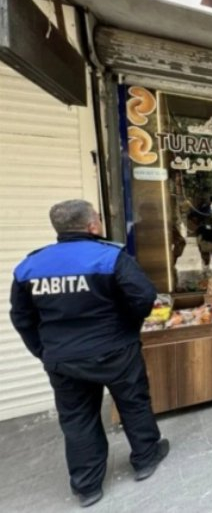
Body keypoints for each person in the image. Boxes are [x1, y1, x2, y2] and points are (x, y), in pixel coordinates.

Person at [9, 200, 169, 508]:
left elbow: (21, 317)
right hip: (115, 350)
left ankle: (87, 485)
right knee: (133, 403)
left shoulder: (30, 266)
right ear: (92, 225)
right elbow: (144, 296)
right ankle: (146, 458)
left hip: (64, 357)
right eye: (98, 217)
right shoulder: (110, 257)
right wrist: (128, 327)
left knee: (77, 418)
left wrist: (44, 350)